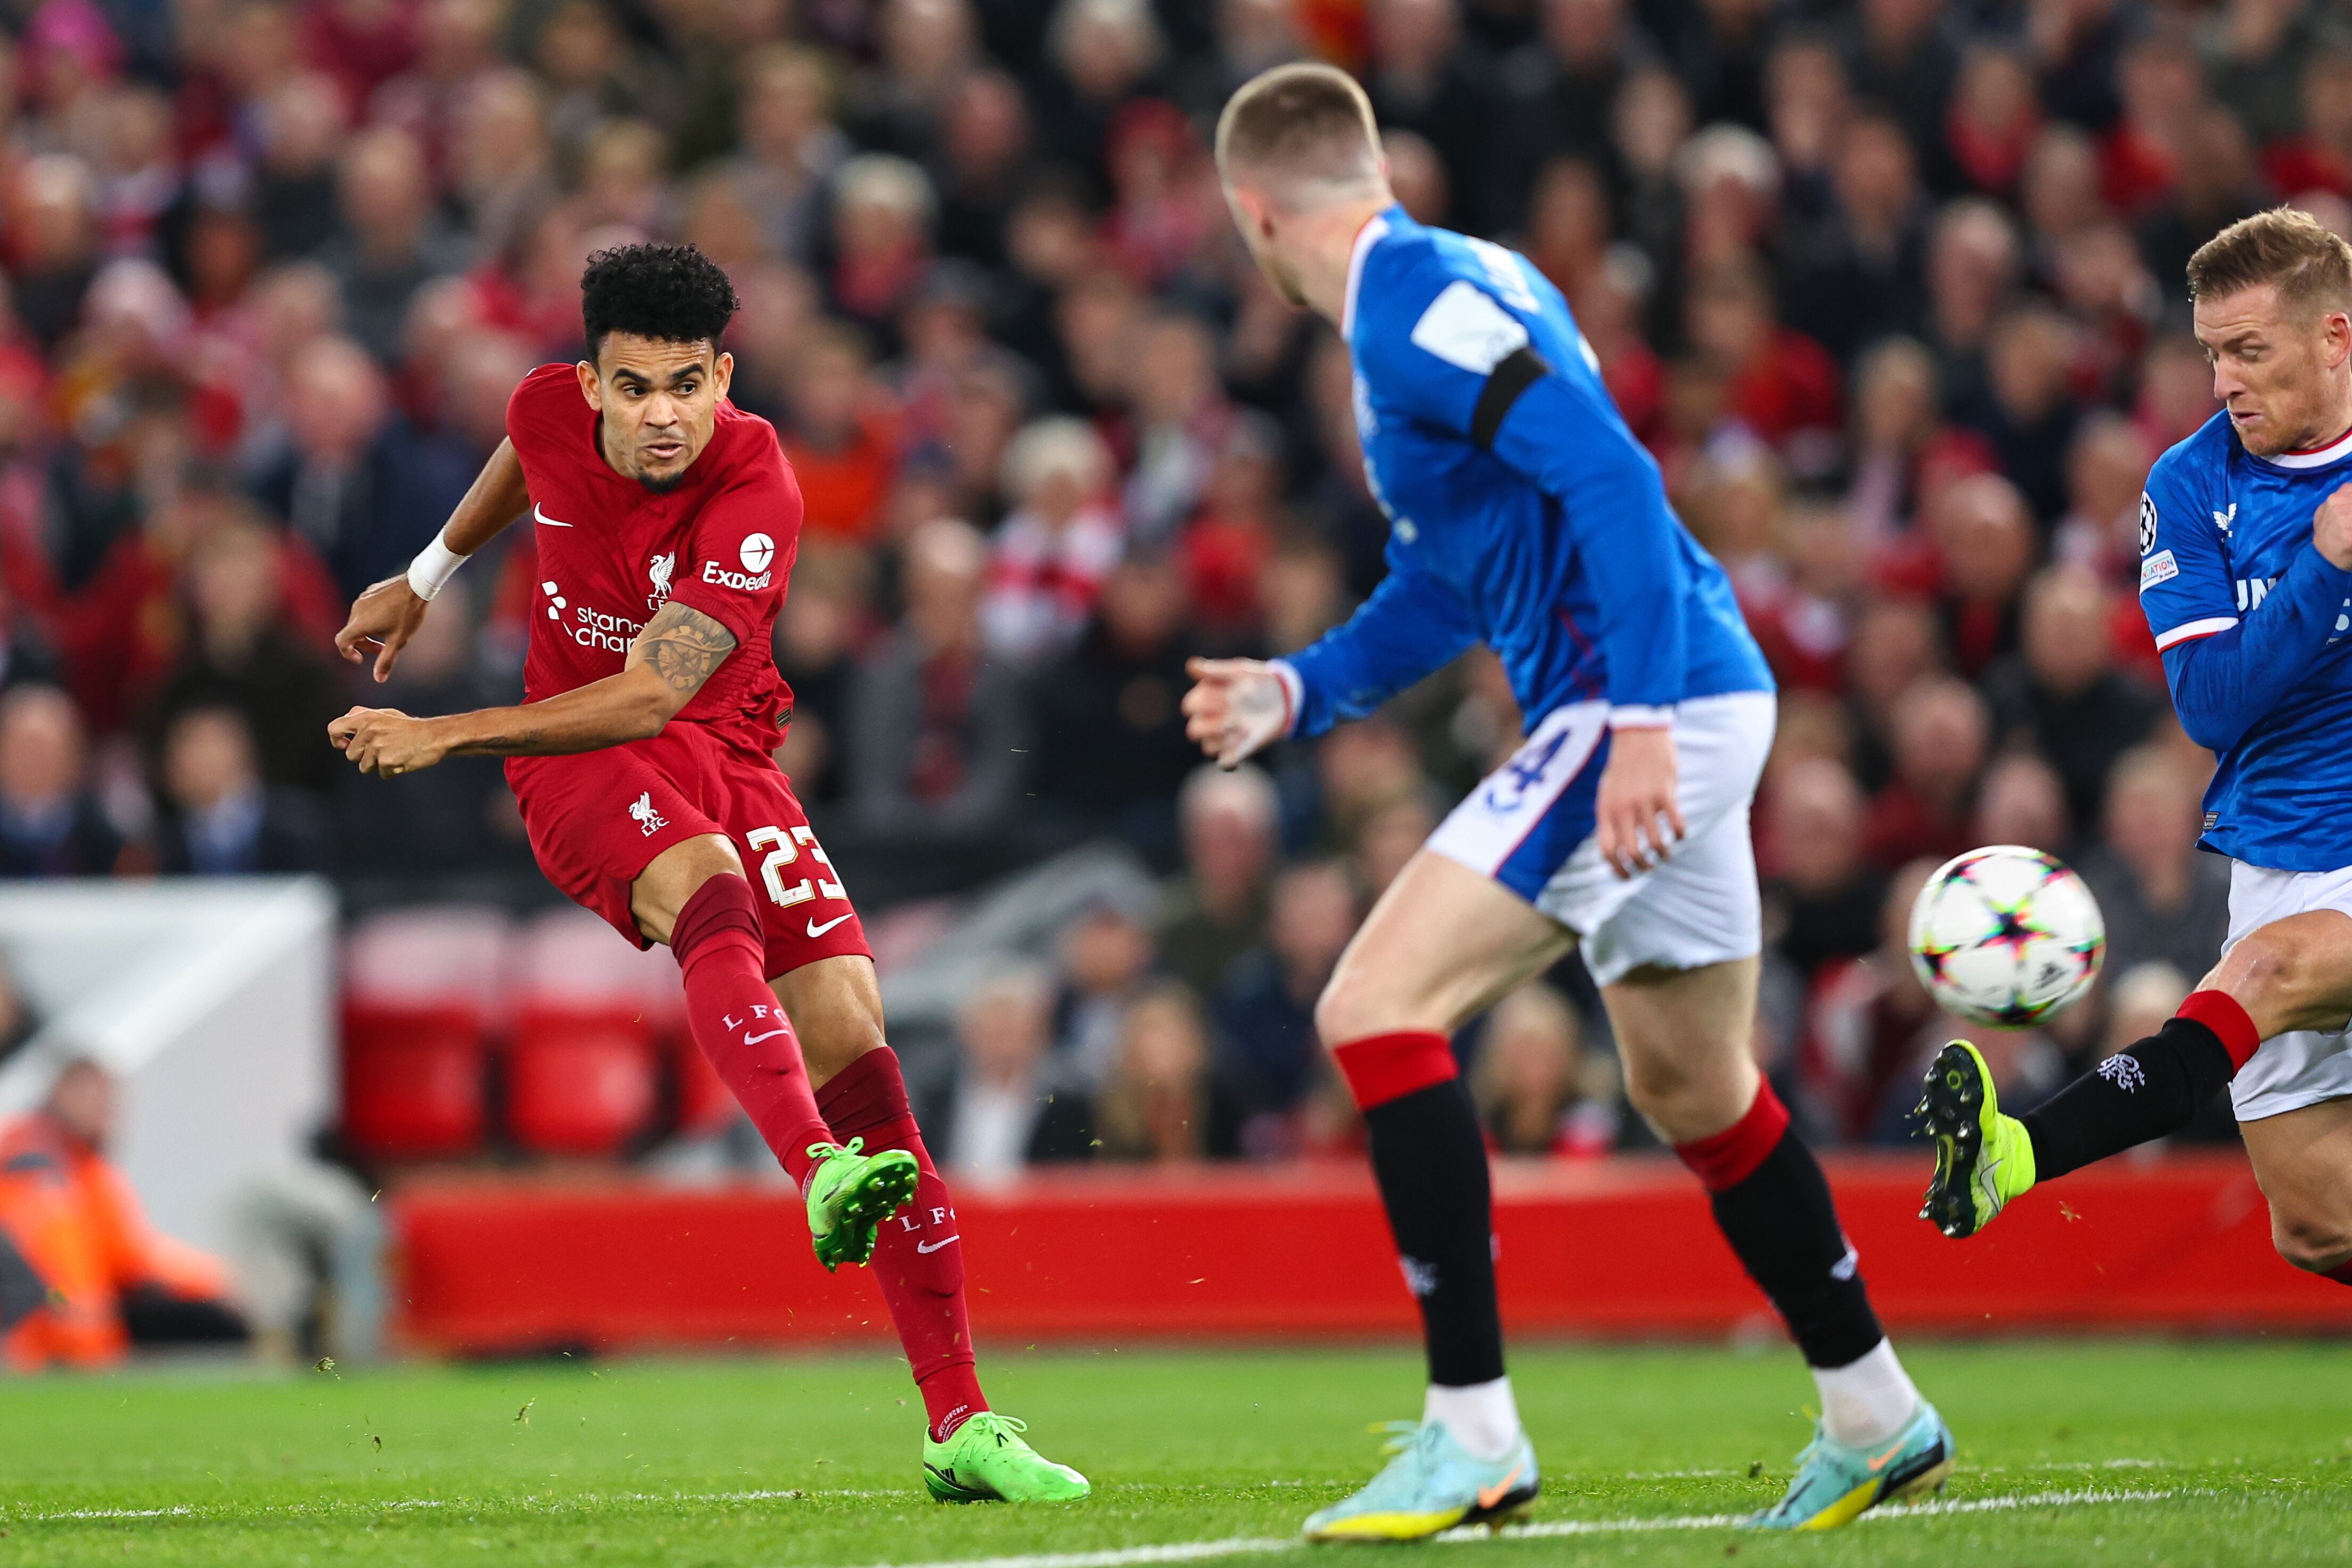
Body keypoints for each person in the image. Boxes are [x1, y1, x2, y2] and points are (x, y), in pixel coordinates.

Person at [1183, 64, 1950, 1541]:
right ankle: (1875, 1412)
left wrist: (1644, 721)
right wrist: (1301, 690)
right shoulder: (1474, 280)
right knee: (1694, 1088)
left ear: (1254, 212)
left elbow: (1610, 471)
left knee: (1373, 1007)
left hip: (1639, 702)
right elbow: (1454, 575)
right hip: (1686, 689)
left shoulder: (1407, 312)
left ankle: (1471, 1432)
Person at [325, 242, 1086, 1502]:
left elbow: (657, 689)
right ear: (591, 385)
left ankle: (959, 1419)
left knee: (853, 1026)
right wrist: (422, 579)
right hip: (573, 758)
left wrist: (443, 731)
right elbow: (526, 460)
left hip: (713, 739)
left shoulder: (756, 478)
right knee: (704, 884)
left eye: (687, 384)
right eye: (633, 389)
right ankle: (813, 1170)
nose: (663, 414)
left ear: (723, 374)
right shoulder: (539, 408)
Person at [1920, 207, 2352, 1289]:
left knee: (2263, 971)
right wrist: (2328, 564)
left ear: (2334, 337)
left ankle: (2013, 1155)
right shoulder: (2191, 487)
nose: (2223, 381)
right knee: (2315, 1221)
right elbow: (2211, 701)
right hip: (2285, 858)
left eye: (2250, 350)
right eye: (2212, 353)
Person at [0, 1060, 250, 1370]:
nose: (103, 1111)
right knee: (215, 1325)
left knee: (213, 1317)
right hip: (56, 1328)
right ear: (61, 1093)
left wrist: (214, 1278)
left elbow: (131, 1253)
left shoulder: (83, 1165)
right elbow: (54, 1271)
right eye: (91, 1098)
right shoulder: (34, 1162)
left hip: (92, 1313)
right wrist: (81, 1327)